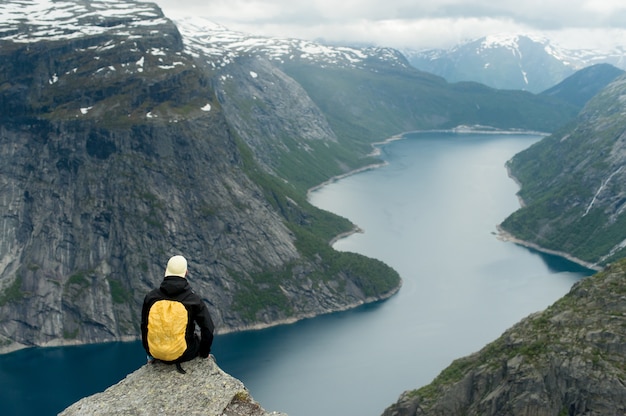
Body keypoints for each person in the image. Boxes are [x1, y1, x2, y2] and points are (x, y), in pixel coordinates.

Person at [141, 255, 215, 371]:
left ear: (166, 271)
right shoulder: (193, 300)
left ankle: (151, 357)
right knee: (196, 339)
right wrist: (204, 353)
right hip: (184, 354)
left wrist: (150, 351)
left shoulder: (151, 297)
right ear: (186, 273)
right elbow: (208, 329)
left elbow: (144, 327)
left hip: (155, 352)